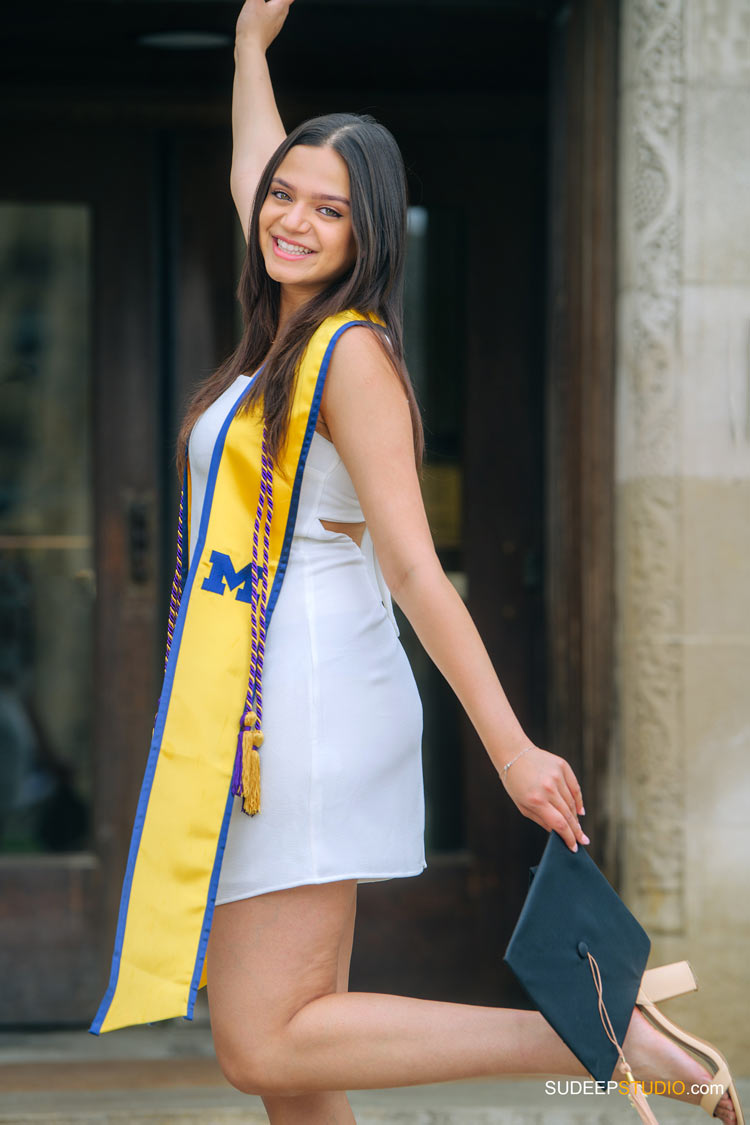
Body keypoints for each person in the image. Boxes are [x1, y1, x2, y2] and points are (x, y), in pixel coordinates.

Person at [187, 3, 740, 1123]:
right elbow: (255, 166)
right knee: (302, 1062)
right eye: (284, 196)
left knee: (261, 1042)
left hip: (305, 703)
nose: (290, 218)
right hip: (267, 692)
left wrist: (512, 750)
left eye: (326, 208)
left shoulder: (348, 357)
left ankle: (593, 1026)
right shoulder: (287, 334)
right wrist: (250, 46)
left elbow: (416, 572)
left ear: (369, 232)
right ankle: (598, 1024)